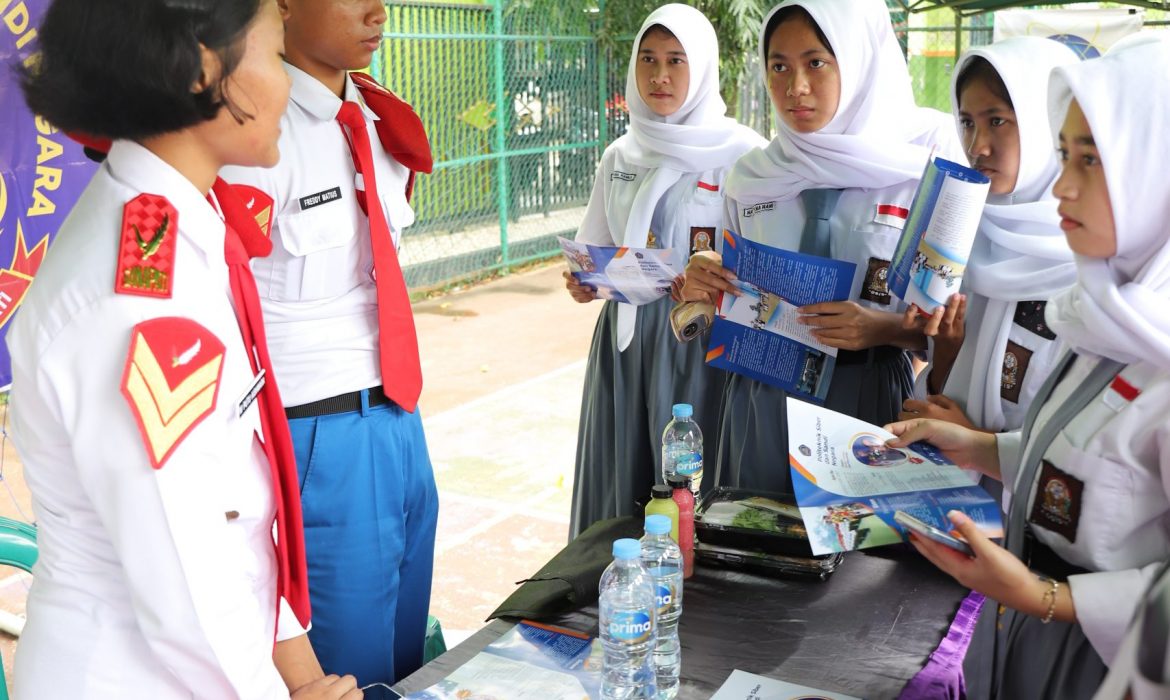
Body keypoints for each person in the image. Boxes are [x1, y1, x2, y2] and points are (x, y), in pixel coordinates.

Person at [9, 1, 359, 698]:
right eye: (274, 52)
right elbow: (181, 572)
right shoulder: (140, 296)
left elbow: (234, 514)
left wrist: (303, 674)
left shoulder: (177, 231)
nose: (287, 83)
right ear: (207, 68)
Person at [886, 40, 1170, 700]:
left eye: (1092, 161)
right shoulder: (1102, 318)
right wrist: (979, 447)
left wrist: (1047, 597)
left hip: (1106, 663)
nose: (1063, 184)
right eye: (1065, 155)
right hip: (1015, 624)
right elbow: (1075, 466)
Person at [220, 0, 439, 687]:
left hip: (401, 420)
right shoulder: (255, 136)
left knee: (404, 664)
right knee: (348, 672)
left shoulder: (374, 120)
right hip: (318, 438)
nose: (377, 11)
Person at [681, 0, 961, 493]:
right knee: (762, 544)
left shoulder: (917, 173)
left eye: (816, 63)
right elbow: (730, 301)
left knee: (862, 563)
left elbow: (953, 325)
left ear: (854, 63)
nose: (796, 88)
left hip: (868, 397)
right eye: (779, 67)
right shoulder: (752, 178)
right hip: (761, 394)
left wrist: (887, 329)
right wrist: (705, 283)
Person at [566, 4, 765, 538]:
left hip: (700, 345)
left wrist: (710, 277)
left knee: (691, 489)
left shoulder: (743, 156)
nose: (659, 75)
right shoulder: (622, 154)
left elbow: (764, 265)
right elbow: (598, 245)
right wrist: (585, 281)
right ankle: (614, 577)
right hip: (627, 344)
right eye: (648, 60)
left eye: (676, 60)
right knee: (624, 482)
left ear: (700, 68)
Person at [899, 38, 1080, 447]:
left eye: (997, 120)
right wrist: (945, 348)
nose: (977, 147)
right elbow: (947, 385)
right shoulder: (968, 234)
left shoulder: (1085, 257)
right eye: (966, 122)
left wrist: (979, 441)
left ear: (1048, 125)